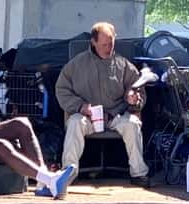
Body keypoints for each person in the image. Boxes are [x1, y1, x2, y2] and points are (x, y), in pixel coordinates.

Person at [55, 21, 151, 188]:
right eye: (104, 45)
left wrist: (133, 99)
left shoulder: (123, 65)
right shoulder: (76, 64)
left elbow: (138, 89)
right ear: (93, 42)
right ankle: (68, 172)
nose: (108, 49)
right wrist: (80, 107)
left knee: (133, 124)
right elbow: (62, 89)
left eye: (111, 44)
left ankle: (139, 173)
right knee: (74, 123)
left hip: (116, 115)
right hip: (88, 115)